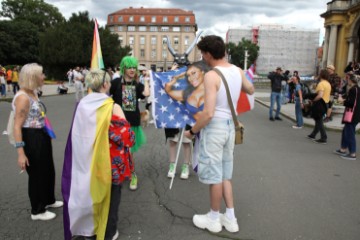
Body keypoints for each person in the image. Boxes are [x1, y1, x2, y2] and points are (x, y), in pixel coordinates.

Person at [184, 35, 254, 233]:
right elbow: (250, 89)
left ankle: (214, 218)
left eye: (202, 54)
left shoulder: (211, 76)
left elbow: (208, 113)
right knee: (225, 174)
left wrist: (192, 131)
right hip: (230, 126)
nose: (202, 58)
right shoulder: (238, 71)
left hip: (214, 129)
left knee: (215, 176)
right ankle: (230, 217)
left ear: (207, 54)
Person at [62, 69, 134, 240]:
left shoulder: (80, 105)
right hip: (109, 162)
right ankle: (108, 232)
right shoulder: (111, 106)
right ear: (105, 85)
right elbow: (127, 137)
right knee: (110, 198)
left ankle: (88, 228)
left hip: (85, 159)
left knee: (88, 193)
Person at [13, 63, 63, 221]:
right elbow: (16, 126)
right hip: (31, 137)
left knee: (48, 170)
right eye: (41, 74)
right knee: (36, 174)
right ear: (33, 77)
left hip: (41, 134)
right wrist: (21, 153)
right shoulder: (22, 97)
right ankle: (37, 211)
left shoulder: (33, 92)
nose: (44, 77)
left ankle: (48, 200)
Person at [110, 56, 150, 191]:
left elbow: (146, 93)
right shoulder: (115, 83)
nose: (132, 70)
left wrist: (148, 79)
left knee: (129, 152)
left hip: (132, 122)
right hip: (116, 123)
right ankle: (119, 173)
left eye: (134, 67)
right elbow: (104, 96)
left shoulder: (137, 85)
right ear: (123, 68)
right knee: (116, 151)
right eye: (129, 67)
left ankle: (133, 174)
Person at [333, 74, 360, 160]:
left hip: (352, 115)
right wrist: (345, 99)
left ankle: (352, 154)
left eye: (347, 79)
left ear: (351, 80)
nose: (346, 81)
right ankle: (343, 149)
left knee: (350, 133)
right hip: (355, 114)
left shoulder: (353, 89)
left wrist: (342, 101)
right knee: (346, 131)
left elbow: (351, 103)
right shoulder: (357, 89)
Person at [307, 69, 331, 144]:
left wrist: (313, 100)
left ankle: (324, 137)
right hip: (326, 103)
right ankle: (313, 134)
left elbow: (320, 95)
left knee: (319, 120)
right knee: (318, 119)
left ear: (321, 75)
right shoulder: (328, 84)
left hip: (320, 103)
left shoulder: (321, 84)